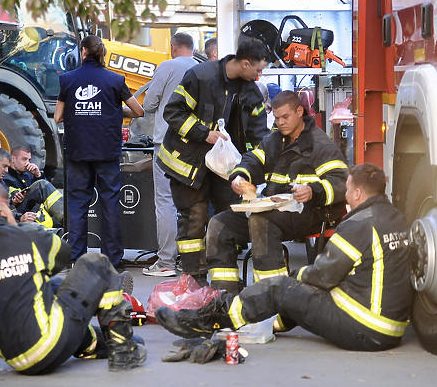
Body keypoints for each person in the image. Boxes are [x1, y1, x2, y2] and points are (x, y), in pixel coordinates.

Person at [156, 163, 414, 352]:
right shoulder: (397, 218)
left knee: (281, 287)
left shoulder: (359, 223)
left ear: (357, 194)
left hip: (363, 327)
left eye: (347, 190)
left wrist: (295, 278)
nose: (345, 195)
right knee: (295, 295)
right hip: (391, 328)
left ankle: (206, 321)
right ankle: (263, 323)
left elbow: (324, 276)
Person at [0, 176, 146, 376]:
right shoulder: (24, 237)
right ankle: (123, 350)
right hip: (51, 341)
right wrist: (14, 227)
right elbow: (63, 256)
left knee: (52, 287)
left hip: (19, 361)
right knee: (96, 264)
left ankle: (94, 343)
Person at [205, 90, 348, 295]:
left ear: (300, 111)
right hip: (277, 211)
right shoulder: (273, 140)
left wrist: (312, 191)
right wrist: (240, 176)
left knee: (261, 222)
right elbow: (253, 161)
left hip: (312, 212)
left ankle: (273, 300)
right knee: (219, 225)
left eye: (285, 117)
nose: (280, 122)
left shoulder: (320, 144)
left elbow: (341, 181)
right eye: (276, 117)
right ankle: (224, 298)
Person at [157, 38, 270, 284]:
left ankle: (225, 286)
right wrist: (203, 133)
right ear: (245, 64)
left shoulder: (253, 93)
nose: (260, 77)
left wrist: (261, 168)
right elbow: (173, 112)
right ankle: (195, 282)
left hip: (225, 167)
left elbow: (259, 135)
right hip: (188, 164)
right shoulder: (201, 76)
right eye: (258, 70)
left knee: (227, 219)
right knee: (194, 220)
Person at [54, 35, 144, 271]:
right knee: (110, 204)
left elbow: (58, 117)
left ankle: (76, 258)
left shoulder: (68, 79)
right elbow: (138, 110)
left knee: (78, 204)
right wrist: (113, 109)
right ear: (101, 52)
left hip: (78, 152)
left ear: (83, 52)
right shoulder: (115, 80)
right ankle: (112, 259)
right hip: (107, 151)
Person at [141, 32, 198, 278]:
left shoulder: (167, 66)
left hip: (166, 144)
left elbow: (149, 104)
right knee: (194, 202)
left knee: (165, 200)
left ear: (173, 47)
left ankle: (165, 262)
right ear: (193, 49)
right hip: (196, 145)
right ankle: (193, 261)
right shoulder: (202, 69)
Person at [3, 146, 64, 228]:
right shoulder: (5, 177)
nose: (27, 163)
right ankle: (67, 218)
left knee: (57, 222)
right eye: (24, 159)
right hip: (19, 214)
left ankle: (67, 218)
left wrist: (38, 175)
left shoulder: (28, 175)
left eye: (29, 160)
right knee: (41, 185)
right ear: (13, 159)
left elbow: (45, 195)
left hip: (36, 213)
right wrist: (13, 201)